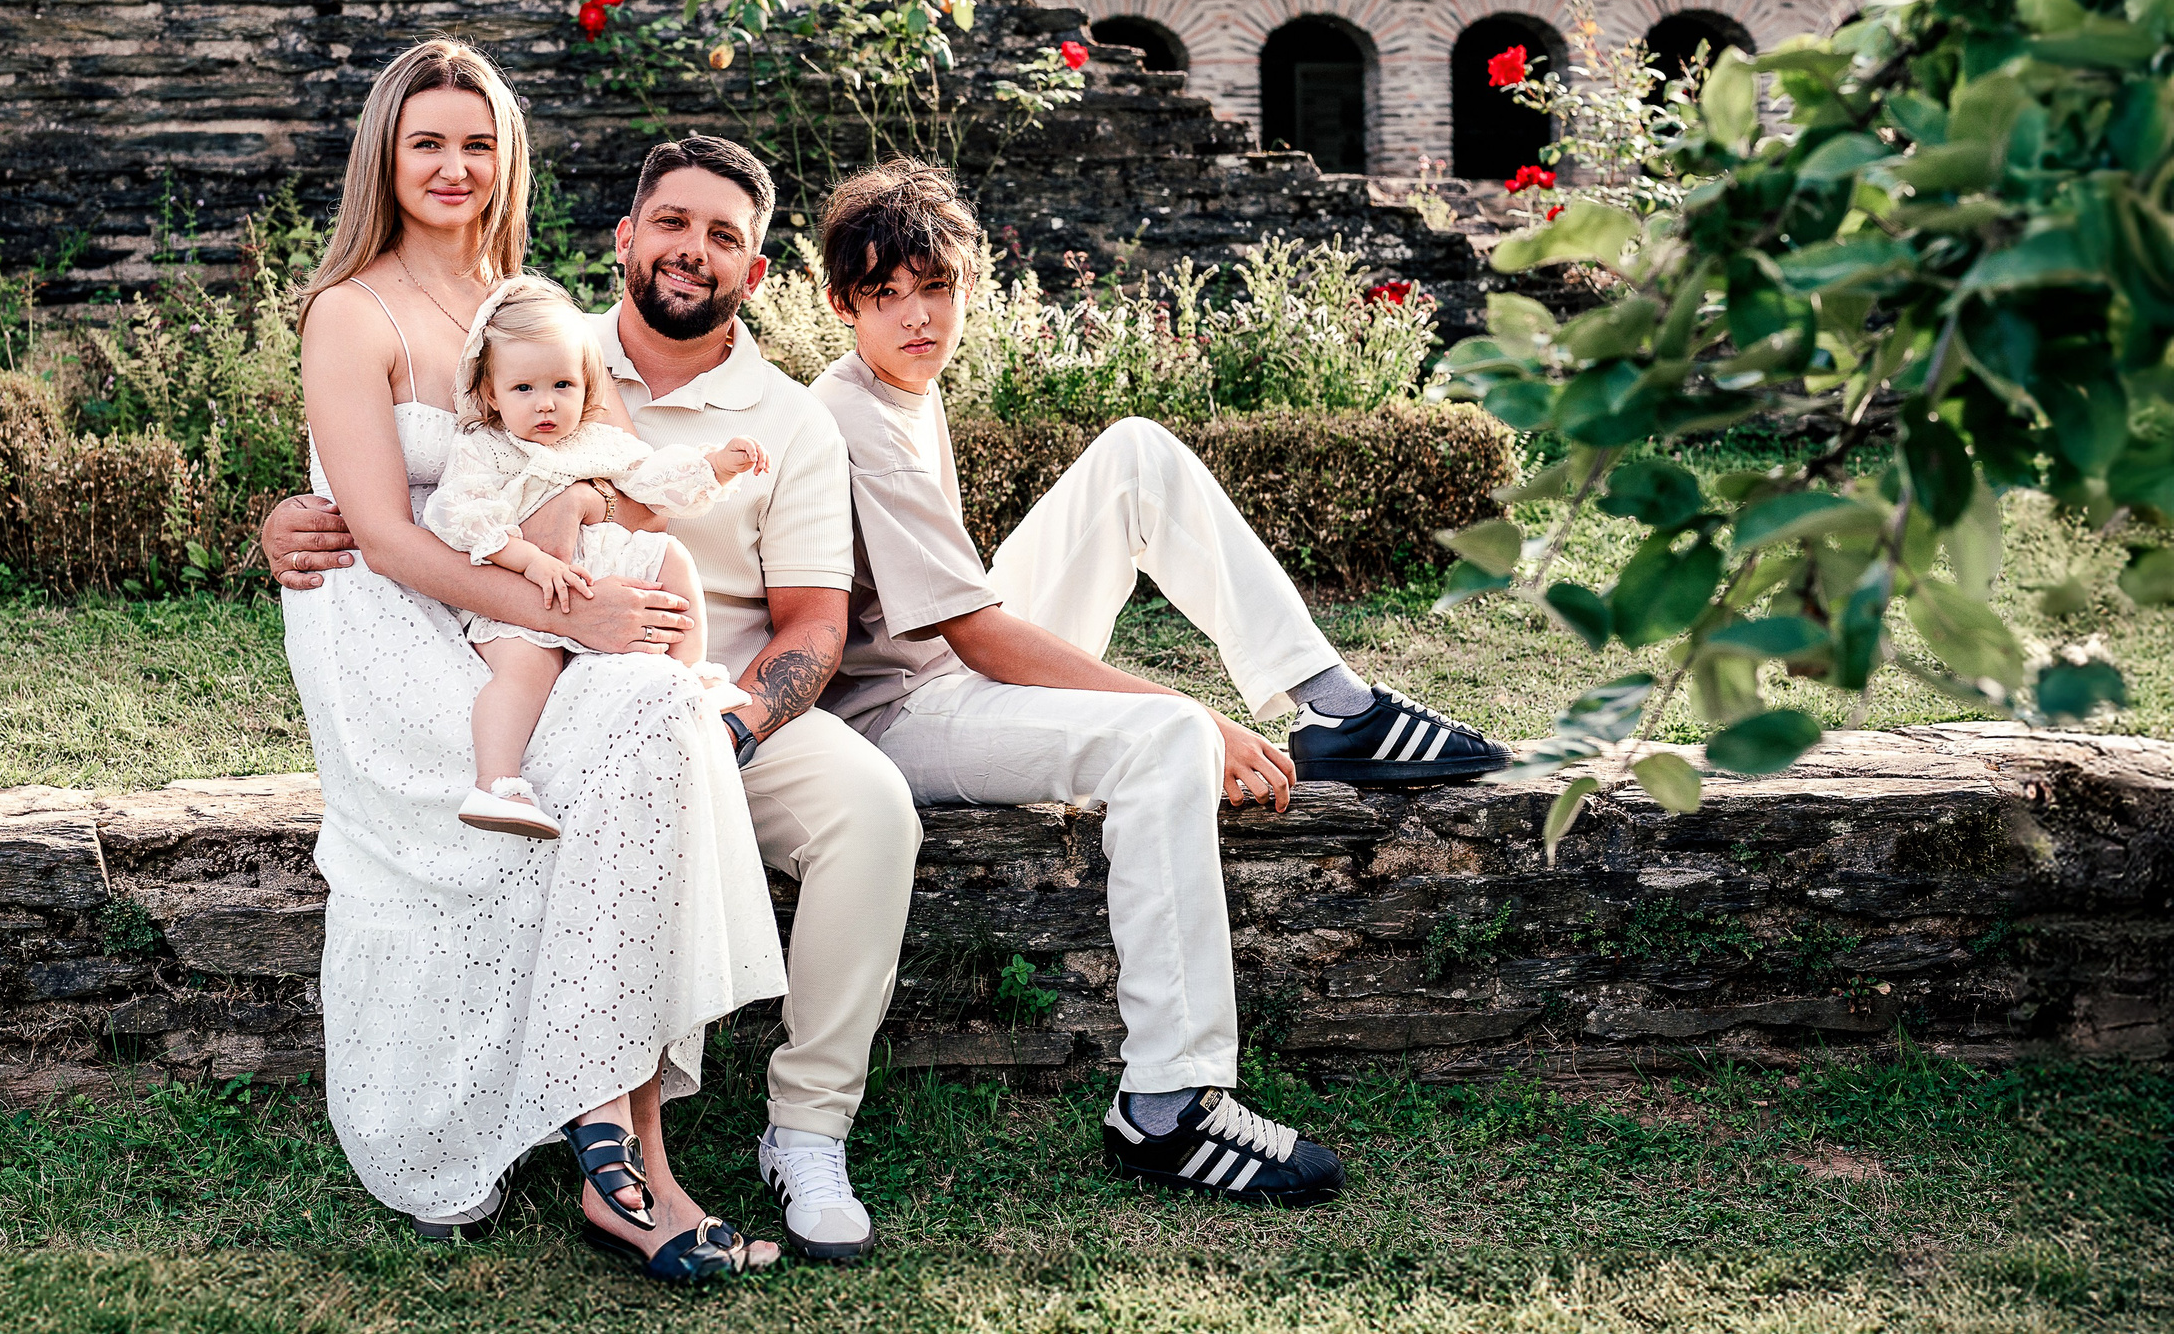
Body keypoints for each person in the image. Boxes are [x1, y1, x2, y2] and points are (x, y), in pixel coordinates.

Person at [805, 159, 1511, 1204]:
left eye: (935, 287)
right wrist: (1181, 708)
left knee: (1135, 452)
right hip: (897, 715)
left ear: (967, 284)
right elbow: (982, 639)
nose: (917, 316)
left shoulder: (908, 387)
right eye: (886, 296)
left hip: (948, 665)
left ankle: (1335, 703)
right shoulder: (854, 416)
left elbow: (973, 625)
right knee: (1167, 741)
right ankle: (1166, 1106)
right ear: (842, 303)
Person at [268, 133, 918, 1263]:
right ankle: (621, 1147)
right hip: (518, 640)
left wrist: (732, 712)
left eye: (724, 237)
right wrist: (295, 516)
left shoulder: (777, 413)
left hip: (705, 678)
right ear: (624, 237)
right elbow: (410, 496)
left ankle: (785, 1133)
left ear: (754, 270)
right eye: (671, 223)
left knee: (826, 793)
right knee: (630, 738)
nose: (690, 251)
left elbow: (803, 615)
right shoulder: (550, 339)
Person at [422, 274, 769, 840]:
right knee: (526, 669)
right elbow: (460, 518)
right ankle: (497, 782)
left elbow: (652, 481)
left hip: (596, 579)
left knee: (672, 557)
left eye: (562, 385)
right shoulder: (485, 448)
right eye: (523, 389)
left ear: (587, 387)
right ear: (490, 394)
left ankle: (692, 674)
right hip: (520, 594)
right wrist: (532, 563)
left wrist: (715, 464)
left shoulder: (593, 440)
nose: (546, 404)